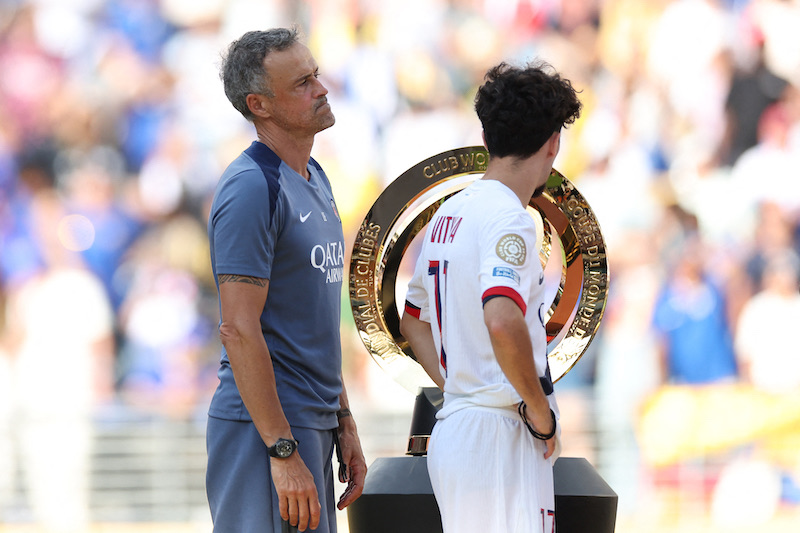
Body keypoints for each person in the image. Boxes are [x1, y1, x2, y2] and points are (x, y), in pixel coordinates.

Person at [400, 61, 582, 532]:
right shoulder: (510, 217)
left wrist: (459, 384)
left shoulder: (449, 211)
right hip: (498, 434)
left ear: (487, 139)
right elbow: (501, 319)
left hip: (459, 427)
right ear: (552, 144)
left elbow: (412, 320)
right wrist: (538, 411)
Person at [205, 27, 366, 533]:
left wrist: (342, 419)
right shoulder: (252, 187)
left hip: (309, 428)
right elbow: (238, 328)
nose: (320, 88)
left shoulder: (314, 176)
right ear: (260, 104)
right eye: (302, 83)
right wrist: (280, 448)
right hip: (267, 435)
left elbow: (311, 320)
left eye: (315, 75)